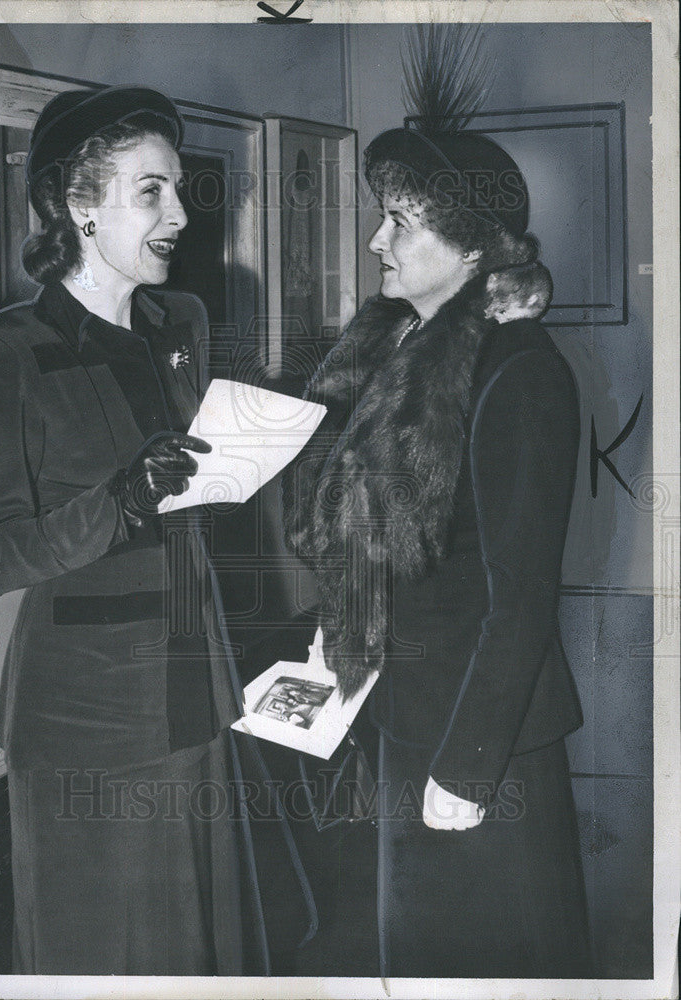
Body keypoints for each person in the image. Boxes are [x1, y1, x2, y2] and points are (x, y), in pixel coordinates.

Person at [0, 86, 278, 975]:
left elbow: (191, 499)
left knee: (201, 956)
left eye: (176, 188)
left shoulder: (183, 322)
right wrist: (123, 500)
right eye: (151, 191)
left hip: (197, 693)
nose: (177, 214)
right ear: (77, 204)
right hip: (88, 723)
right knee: (109, 960)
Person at [283, 123, 593, 977]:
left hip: (482, 743)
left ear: (469, 251)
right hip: (407, 718)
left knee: (492, 965)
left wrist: (466, 771)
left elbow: (520, 598)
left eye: (402, 221)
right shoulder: (399, 351)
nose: (378, 240)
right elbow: (378, 533)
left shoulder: (518, 373)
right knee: (419, 963)